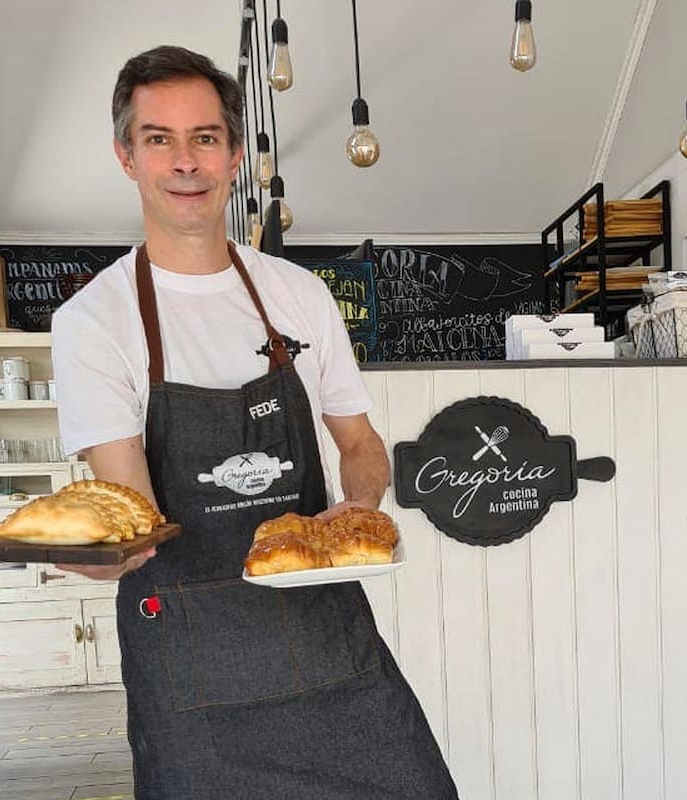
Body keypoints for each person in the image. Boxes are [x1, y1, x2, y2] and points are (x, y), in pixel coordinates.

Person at [50, 45, 458, 799]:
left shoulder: (299, 295)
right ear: (126, 156)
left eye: (205, 137)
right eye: (159, 139)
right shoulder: (94, 322)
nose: (185, 161)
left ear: (234, 155)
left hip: (327, 640)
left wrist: (357, 507)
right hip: (190, 661)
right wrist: (108, 553)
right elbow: (132, 515)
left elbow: (361, 445)